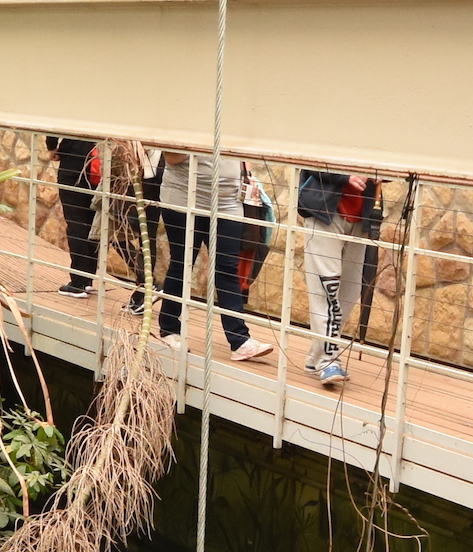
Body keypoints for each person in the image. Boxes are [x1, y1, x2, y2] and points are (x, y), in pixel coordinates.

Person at [152, 150, 270, 360]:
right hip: (185, 197)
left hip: (228, 201)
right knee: (183, 262)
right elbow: (172, 157)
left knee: (227, 267)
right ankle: (169, 329)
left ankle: (240, 340)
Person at [295, 167, 382, 385]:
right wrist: (345, 177)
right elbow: (311, 160)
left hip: (360, 217)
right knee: (327, 286)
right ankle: (328, 360)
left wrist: (382, 172)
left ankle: (316, 357)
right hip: (325, 210)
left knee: (350, 290)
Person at [48, 135, 99, 297]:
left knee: (76, 223)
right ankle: (87, 279)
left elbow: (54, 124)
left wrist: (52, 146)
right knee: (91, 222)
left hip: (74, 159)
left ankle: (79, 282)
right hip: (98, 161)